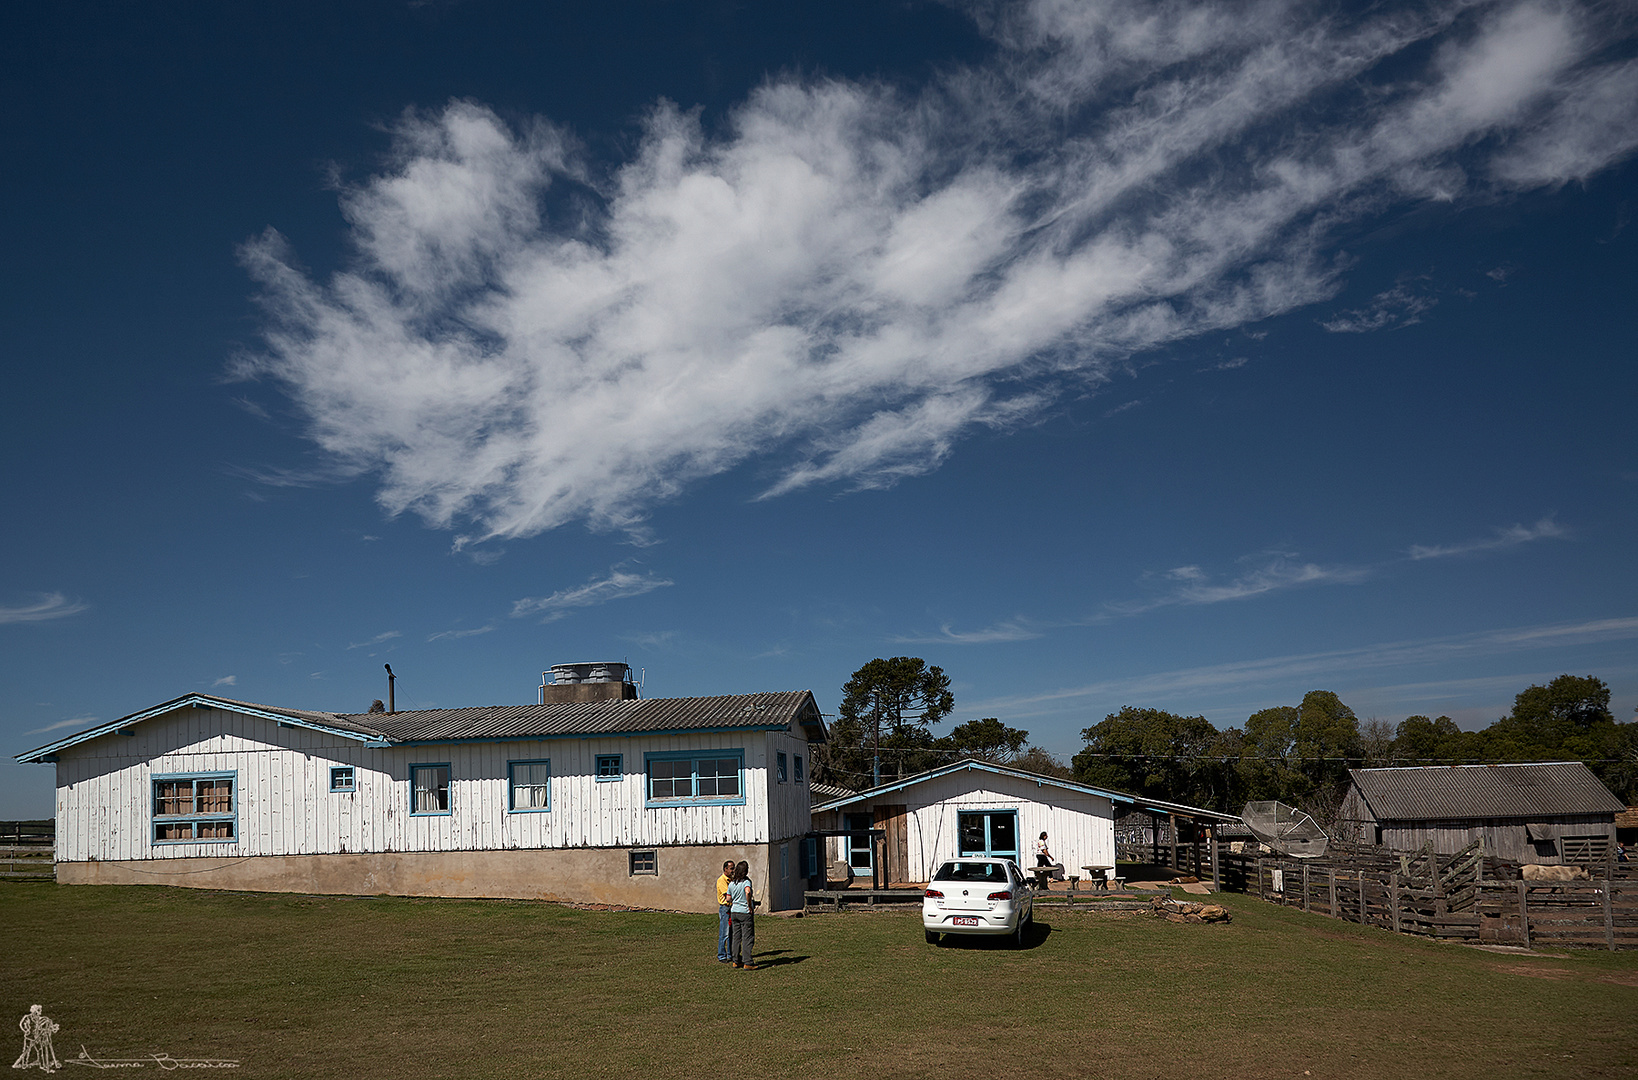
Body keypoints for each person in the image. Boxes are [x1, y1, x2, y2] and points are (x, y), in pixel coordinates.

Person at [727, 860, 757, 969]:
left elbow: (728, 898)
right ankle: (747, 962)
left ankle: (736, 960)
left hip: (734, 911)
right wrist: (749, 905)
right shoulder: (746, 882)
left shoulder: (731, 883)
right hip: (745, 912)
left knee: (736, 937)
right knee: (747, 937)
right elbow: (748, 892)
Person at [13, 1004, 60, 1073]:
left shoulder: (40, 1019)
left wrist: (52, 1028)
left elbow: (42, 1027)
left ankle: (42, 1065)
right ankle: (24, 1065)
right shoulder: (27, 1017)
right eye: (39, 1010)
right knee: (26, 1051)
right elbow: (21, 1024)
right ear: (34, 1011)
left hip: (37, 1037)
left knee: (40, 1050)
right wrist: (26, 1030)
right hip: (29, 1037)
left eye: (40, 1010)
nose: (40, 1012)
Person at [715, 859, 735, 962]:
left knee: (731, 933)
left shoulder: (730, 880)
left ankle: (730, 954)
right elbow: (727, 895)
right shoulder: (722, 880)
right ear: (725, 869)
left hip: (731, 907)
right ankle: (721, 955)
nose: (733, 871)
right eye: (731, 868)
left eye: (733, 868)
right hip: (725, 908)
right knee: (724, 933)